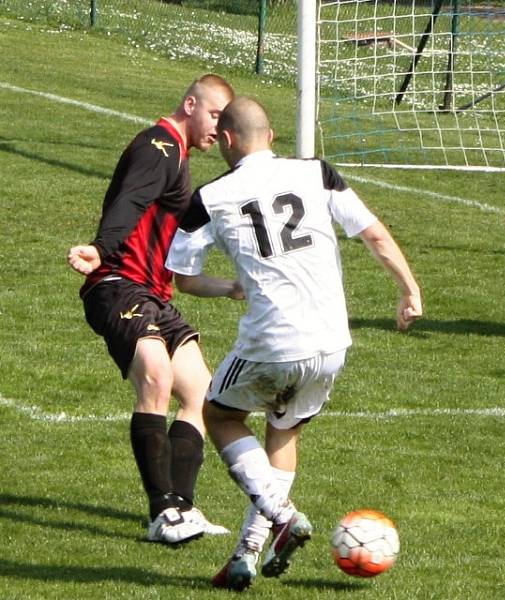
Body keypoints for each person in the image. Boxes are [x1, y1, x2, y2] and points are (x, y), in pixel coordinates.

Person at [165, 96, 423, 590]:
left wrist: (230, 286)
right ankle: (244, 556)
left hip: (272, 341)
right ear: (273, 138)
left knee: (217, 414)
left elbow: (183, 277)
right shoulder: (317, 173)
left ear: (227, 140)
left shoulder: (211, 196)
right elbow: (375, 236)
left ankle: (282, 514)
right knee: (282, 433)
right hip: (331, 342)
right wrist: (409, 291)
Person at [67, 74, 236, 544]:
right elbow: (130, 201)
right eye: (216, 116)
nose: (218, 130)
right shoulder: (159, 146)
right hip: (118, 284)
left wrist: (230, 286)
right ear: (190, 104)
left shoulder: (177, 156)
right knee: (157, 377)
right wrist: (102, 249)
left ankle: (182, 507)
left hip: (155, 295)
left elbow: (180, 260)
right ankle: (162, 511)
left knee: (204, 395)